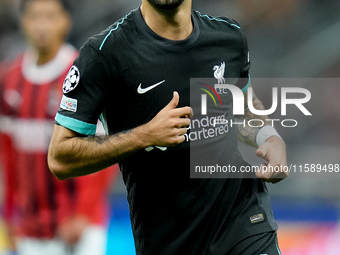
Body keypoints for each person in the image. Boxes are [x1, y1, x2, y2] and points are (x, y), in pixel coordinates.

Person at [48, 0, 288, 254]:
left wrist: (269, 136)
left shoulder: (228, 37)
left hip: (244, 224)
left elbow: (242, 104)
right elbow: (60, 158)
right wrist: (143, 136)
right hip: (168, 240)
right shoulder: (104, 54)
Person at [0, 0, 118, 254]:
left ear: (66, 21)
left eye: (50, 17)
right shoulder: (10, 78)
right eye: (35, 17)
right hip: (31, 227)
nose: (42, 25)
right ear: (23, 21)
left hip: (79, 226)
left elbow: (108, 149)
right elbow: (8, 153)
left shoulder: (85, 71)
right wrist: (9, 213)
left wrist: (83, 213)